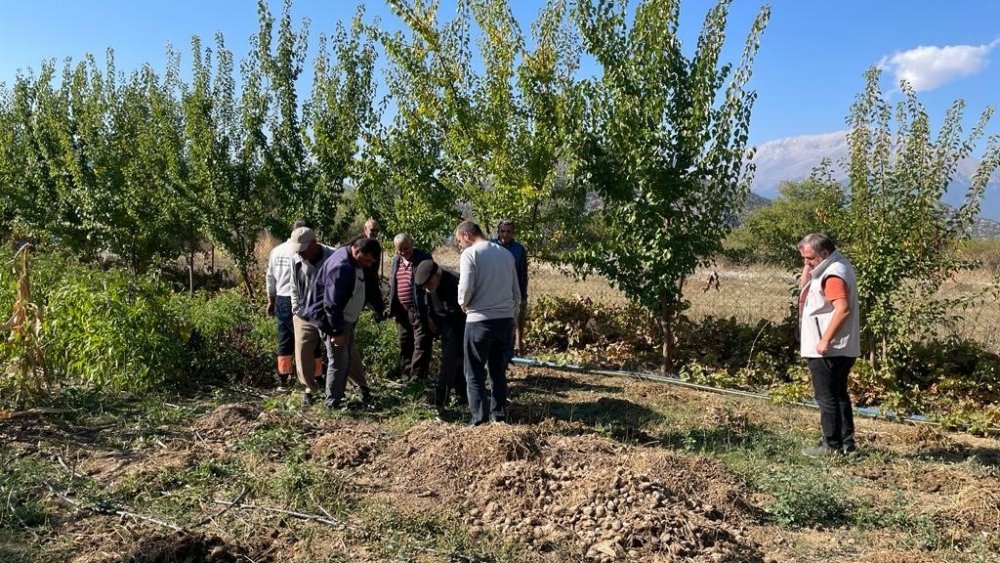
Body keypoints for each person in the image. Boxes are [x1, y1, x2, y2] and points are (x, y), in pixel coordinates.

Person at [798, 233, 861, 457]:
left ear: (824, 254)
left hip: (828, 347)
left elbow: (842, 309)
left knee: (826, 396)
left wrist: (825, 339)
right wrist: (809, 265)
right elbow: (805, 287)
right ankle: (847, 443)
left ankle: (831, 446)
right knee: (838, 393)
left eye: (809, 258)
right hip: (843, 346)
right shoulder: (835, 266)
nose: (806, 263)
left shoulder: (832, 275)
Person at [302, 237, 380, 410]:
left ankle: (338, 397)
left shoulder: (352, 260)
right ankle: (333, 404)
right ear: (357, 250)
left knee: (345, 359)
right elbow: (332, 305)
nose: (368, 265)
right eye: (367, 260)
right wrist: (336, 332)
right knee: (338, 361)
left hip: (345, 319)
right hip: (336, 320)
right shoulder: (342, 267)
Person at [455, 220, 521, 425]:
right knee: (498, 371)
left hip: (479, 321)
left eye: (459, 240)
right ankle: (498, 416)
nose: (460, 245)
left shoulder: (470, 254)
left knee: (474, 371)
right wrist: (513, 316)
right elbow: (516, 291)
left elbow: (465, 287)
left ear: (466, 235)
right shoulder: (506, 254)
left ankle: (478, 419)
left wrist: (462, 303)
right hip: (504, 321)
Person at [413, 259, 468, 417]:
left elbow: (458, 310)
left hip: (458, 325)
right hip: (444, 325)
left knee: (449, 362)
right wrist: (430, 319)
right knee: (455, 361)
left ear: (437, 275)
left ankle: (440, 401)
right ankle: (462, 394)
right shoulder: (430, 282)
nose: (426, 288)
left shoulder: (455, 282)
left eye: (428, 284)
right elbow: (428, 300)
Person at [289, 227, 337, 406]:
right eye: (297, 249)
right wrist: (296, 309)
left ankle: (360, 386)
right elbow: (294, 285)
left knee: (341, 349)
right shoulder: (296, 258)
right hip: (305, 312)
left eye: (303, 249)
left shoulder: (333, 256)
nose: (300, 253)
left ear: (315, 244)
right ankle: (310, 389)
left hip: (329, 313)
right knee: (302, 350)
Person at [266, 219, 310, 386]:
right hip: (303, 298)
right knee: (310, 339)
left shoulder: (276, 251)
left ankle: (283, 381)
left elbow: (270, 277)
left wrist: (271, 300)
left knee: (285, 339)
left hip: (282, 299)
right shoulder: (305, 249)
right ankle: (315, 378)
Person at [388, 233, 433, 382]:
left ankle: (417, 377)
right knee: (405, 342)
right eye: (400, 250)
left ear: (412, 244)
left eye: (406, 248)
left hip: (418, 309)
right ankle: (406, 373)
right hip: (402, 310)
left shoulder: (423, 258)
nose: (404, 252)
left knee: (421, 342)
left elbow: (431, 283)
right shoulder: (396, 261)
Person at [492, 219, 528, 356]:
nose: (505, 234)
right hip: (494, 292)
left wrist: (523, 296)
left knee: (510, 325)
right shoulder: (491, 246)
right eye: (502, 231)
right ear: (498, 232)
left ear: (513, 233)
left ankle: (508, 354)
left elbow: (523, 274)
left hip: (512, 293)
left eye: (508, 231)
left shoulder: (519, 249)